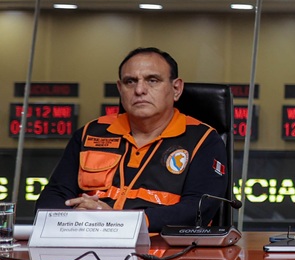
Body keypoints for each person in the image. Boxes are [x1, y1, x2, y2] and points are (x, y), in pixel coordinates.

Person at [37, 47, 230, 231]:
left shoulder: (204, 140)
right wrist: (72, 218)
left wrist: (118, 222)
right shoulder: (89, 133)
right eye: (130, 82)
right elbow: (53, 196)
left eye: (152, 80)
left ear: (176, 88)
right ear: (120, 89)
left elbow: (197, 210)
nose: (139, 90)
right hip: (85, 244)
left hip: (165, 253)